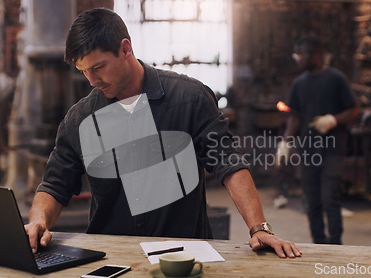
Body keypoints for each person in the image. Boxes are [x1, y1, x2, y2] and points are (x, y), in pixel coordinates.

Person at [24, 8, 301, 259]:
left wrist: (259, 228)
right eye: (84, 71)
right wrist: (38, 221)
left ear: (125, 48)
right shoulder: (80, 119)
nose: (93, 81)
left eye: (98, 67)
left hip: (186, 255)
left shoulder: (190, 99)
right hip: (111, 257)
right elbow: (54, 185)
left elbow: (229, 164)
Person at [280, 36, 359, 244]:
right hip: (308, 150)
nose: (297, 59)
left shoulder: (336, 79)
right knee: (312, 200)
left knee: (329, 198)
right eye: (296, 55)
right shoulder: (298, 84)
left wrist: (334, 119)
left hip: (333, 150)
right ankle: (318, 242)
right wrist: (286, 143)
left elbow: (353, 109)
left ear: (316, 53)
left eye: (301, 54)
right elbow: (295, 116)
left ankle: (335, 244)